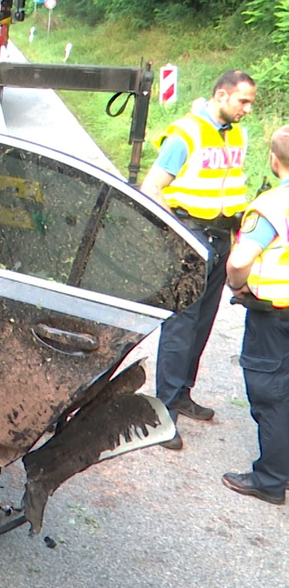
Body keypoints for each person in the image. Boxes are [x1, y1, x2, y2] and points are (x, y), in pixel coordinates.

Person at [139, 70, 257, 450]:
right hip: (191, 236)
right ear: (221, 95)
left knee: (203, 321)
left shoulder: (237, 134)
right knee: (181, 325)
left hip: (222, 237)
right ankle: (163, 415)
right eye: (243, 101)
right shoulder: (185, 133)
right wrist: (177, 232)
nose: (248, 109)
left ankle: (182, 393)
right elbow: (151, 187)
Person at [221, 125, 289, 505]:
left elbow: (241, 260)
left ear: (274, 161)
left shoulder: (274, 205)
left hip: (275, 316)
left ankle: (270, 480)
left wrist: (237, 286)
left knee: (271, 395)